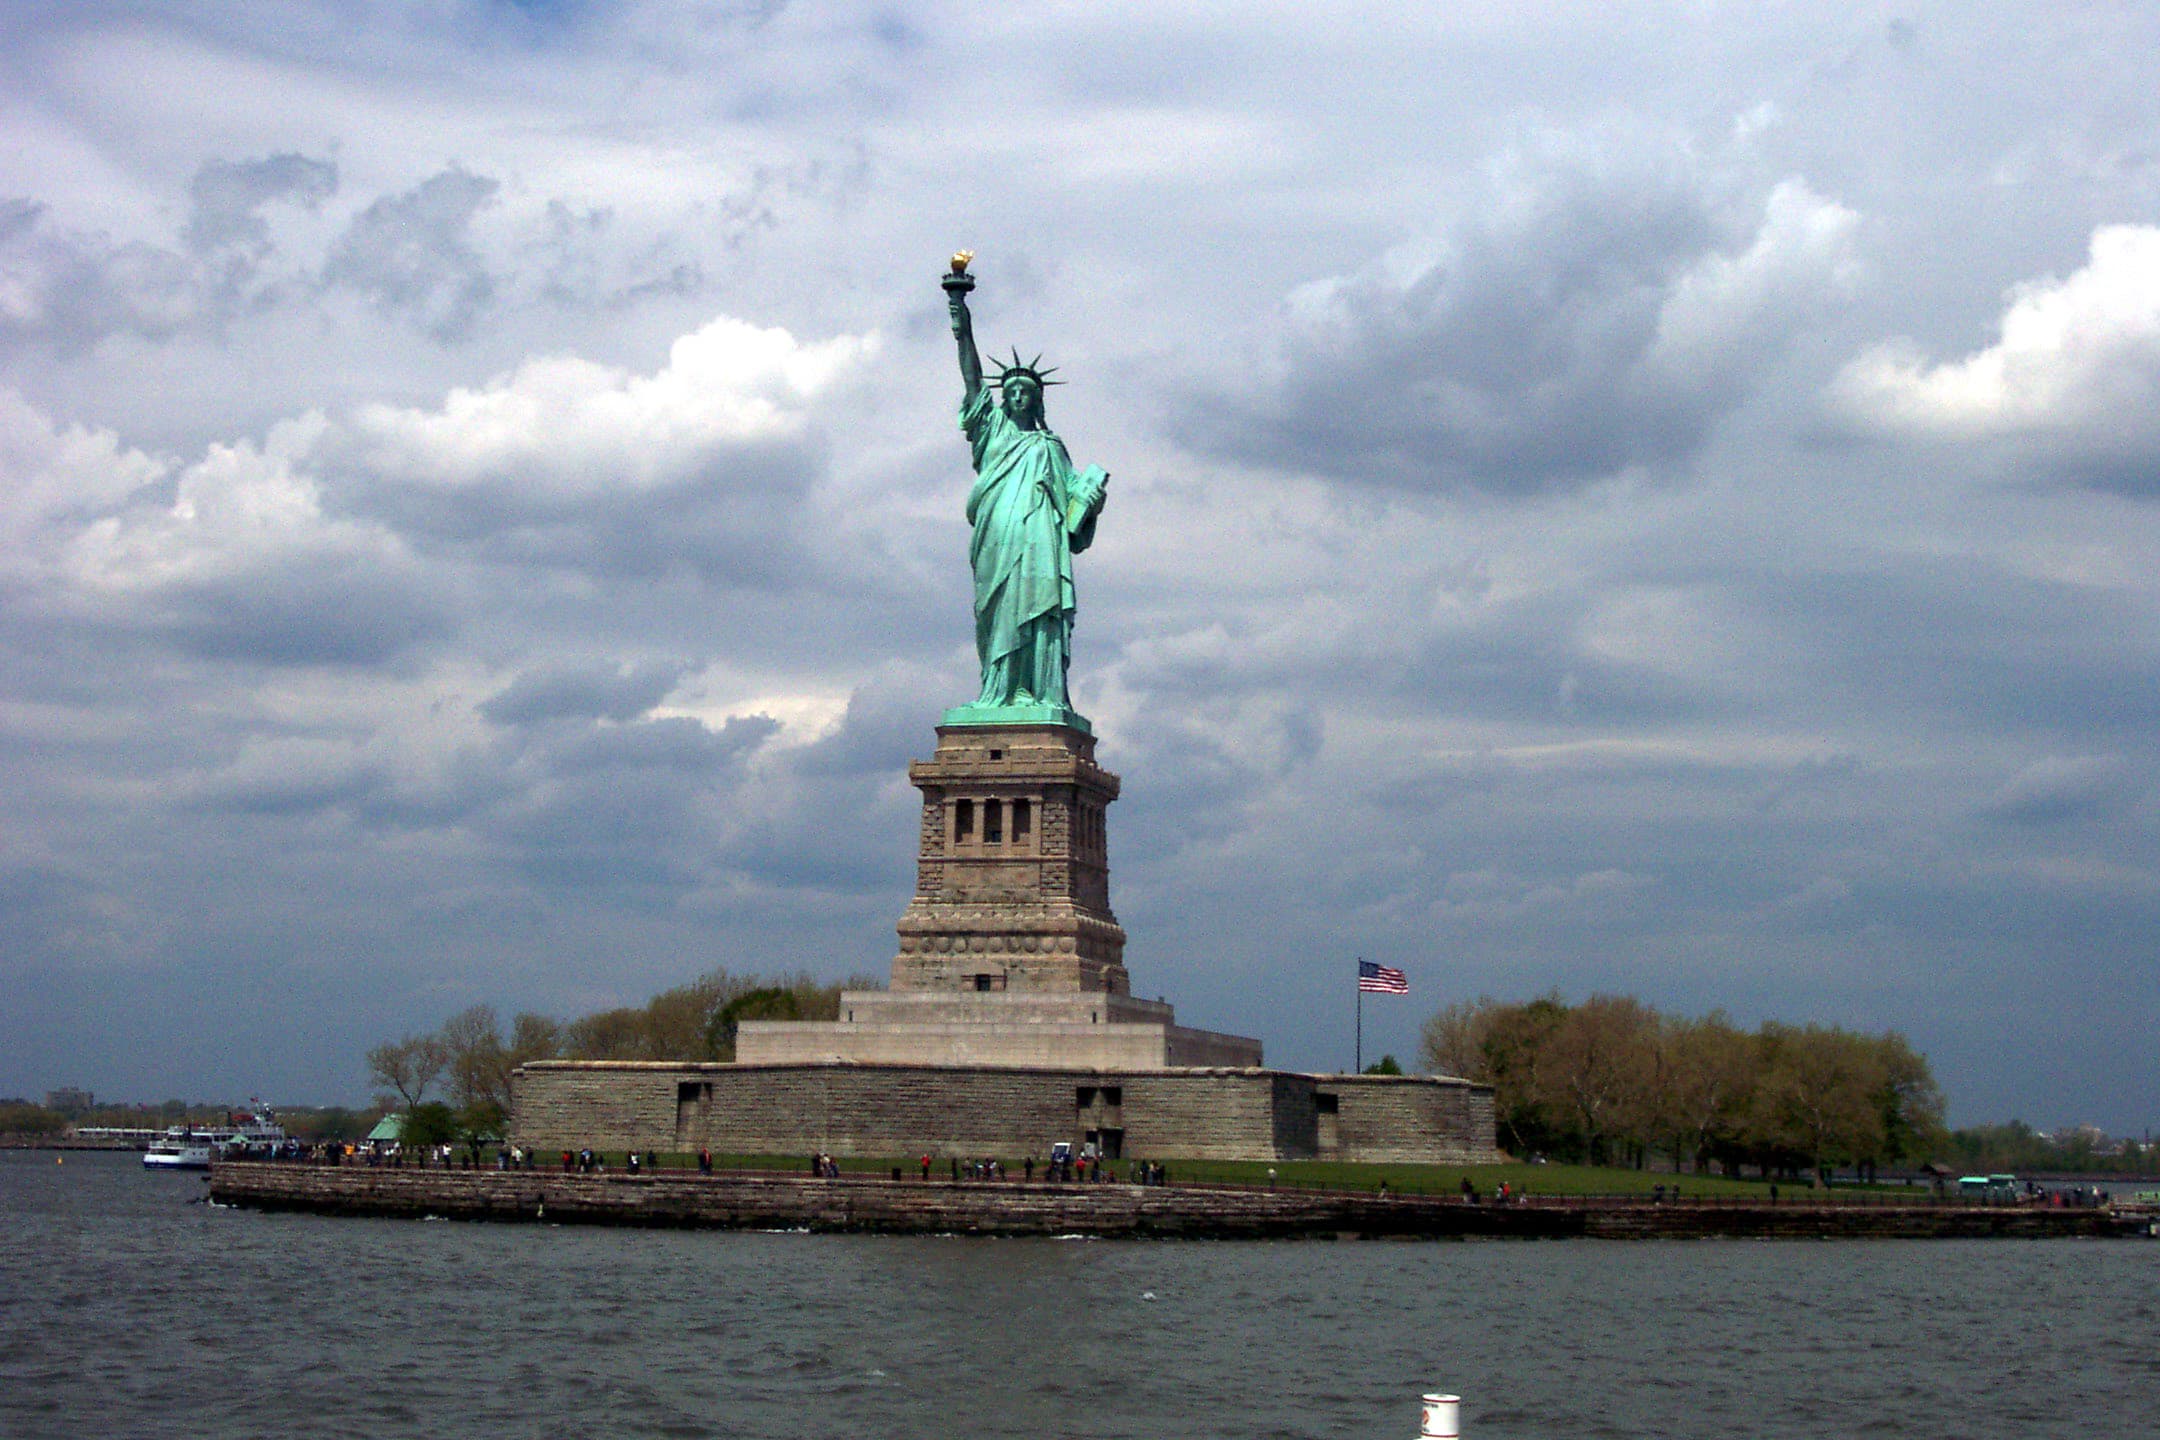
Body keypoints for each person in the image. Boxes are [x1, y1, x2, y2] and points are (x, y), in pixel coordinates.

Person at [945, 271, 1108, 713]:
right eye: (1011, 391)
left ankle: (1037, 691)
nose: (1017, 396)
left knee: (1039, 611)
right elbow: (973, 378)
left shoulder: (1049, 446)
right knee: (996, 610)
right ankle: (997, 690)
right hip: (997, 534)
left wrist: (1092, 500)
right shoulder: (991, 430)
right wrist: (961, 319)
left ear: (1037, 401)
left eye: (1026, 392)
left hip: (1039, 536)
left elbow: (1076, 495)